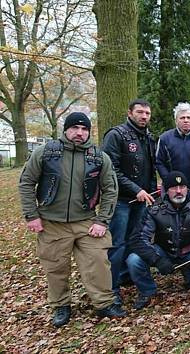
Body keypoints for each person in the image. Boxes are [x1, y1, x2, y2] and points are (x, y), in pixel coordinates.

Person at [19, 112, 127, 327]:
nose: (79, 133)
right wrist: (32, 215)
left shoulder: (98, 156)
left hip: (86, 221)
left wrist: (102, 220)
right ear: (66, 130)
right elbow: (26, 183)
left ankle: (104, 303)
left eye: (84, 129)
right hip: (52, 223)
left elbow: (110, 190)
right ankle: (61, 305)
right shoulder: (46, 153)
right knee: (56, 267)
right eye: (75, 128)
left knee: (98, 262)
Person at [126, 171, 190, 309]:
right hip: (163, 251)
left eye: (182, 187)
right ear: (166, 190)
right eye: (173, 188)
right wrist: (156, 259)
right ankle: (147, 291)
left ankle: (188, 273)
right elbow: (137, 239)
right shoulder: (154, 209)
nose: (178, 191)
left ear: (187, 188)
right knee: (133, 260)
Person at [102, 99, 157, 304]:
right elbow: (111, 170)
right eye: (140, 112)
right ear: (130, 113)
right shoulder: (116, 135)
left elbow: (151, 168)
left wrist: (150, 192)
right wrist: (137, 190)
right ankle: (111, 288)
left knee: (135, 241)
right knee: (117, 244)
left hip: (141, 201)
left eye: (147, 113)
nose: (144, 116)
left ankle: (127, 276)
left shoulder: (148, 137)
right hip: (121, 201)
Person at [155, 102, 190, 193]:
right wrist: (169, 180)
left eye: (189, 117)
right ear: (176, 120)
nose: (186, 120)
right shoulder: (164, 138)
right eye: (182, 118)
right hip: (170, 188)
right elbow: (159, 162)